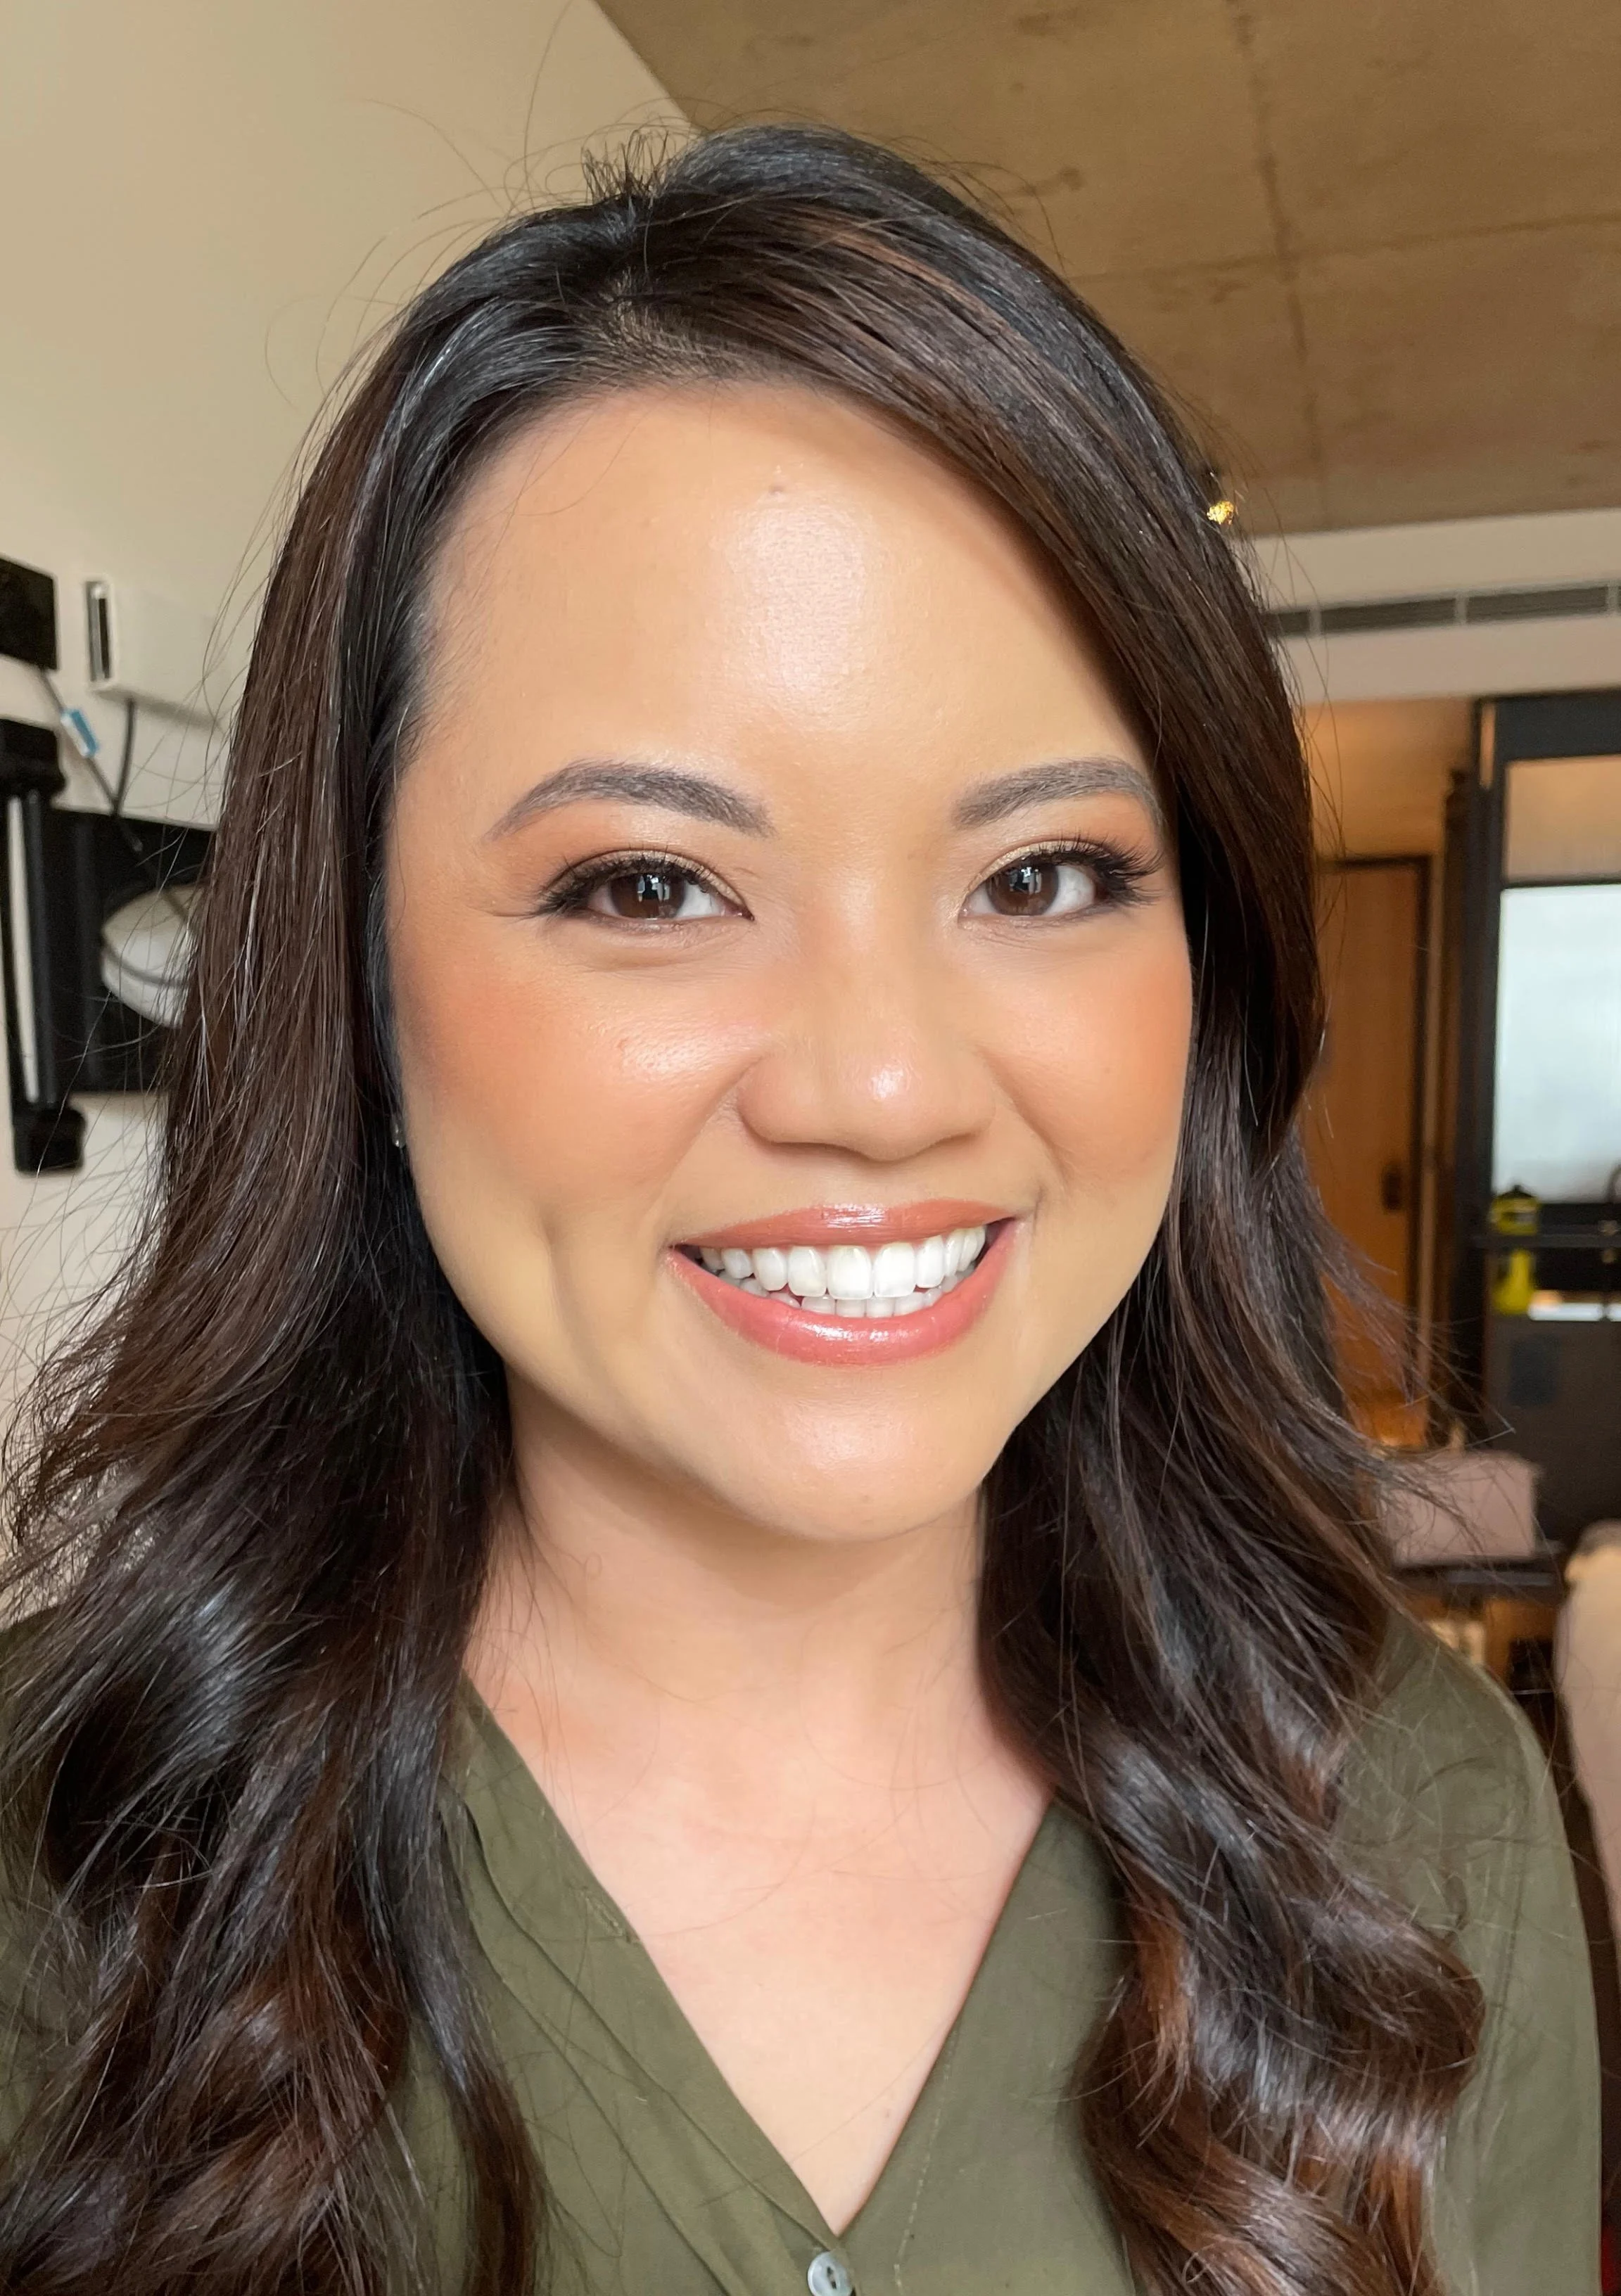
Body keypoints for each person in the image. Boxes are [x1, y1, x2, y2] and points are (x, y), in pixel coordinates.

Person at [0, 125, 1598, 2296]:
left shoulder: (1421, 1816)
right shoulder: (62, 1861)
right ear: (357, 980)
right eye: (651, 885)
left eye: (1044, 874)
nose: (880, 1089)